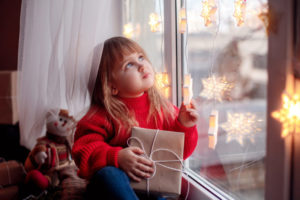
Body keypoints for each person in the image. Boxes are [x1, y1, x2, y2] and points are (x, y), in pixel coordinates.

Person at [72, 36, 199, 200]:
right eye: (129, 64)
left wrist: (184, 126)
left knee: (157, 192)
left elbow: (177, 156)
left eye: (141, 57)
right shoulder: (102, 114)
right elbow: (82, 151)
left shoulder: (162, 108)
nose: (141, 65)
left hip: (148, 185)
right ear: (112, 87)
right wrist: (116, 157)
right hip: (112, 188)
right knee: (108, 175)